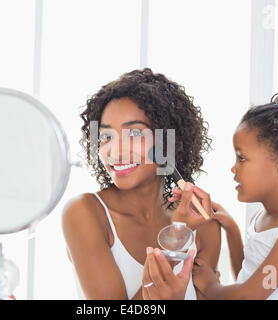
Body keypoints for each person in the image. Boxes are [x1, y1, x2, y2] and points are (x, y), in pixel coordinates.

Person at [143, 91, 278, 299]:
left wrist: (211, 286)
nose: (233, 168)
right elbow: (249, 277)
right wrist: (231, 227)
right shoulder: (260, 217)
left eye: (241, 158)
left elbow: (248, 296)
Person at [62, 68, 221, 299]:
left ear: (169, 141)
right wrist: (177, 237)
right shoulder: (85, 213)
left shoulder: (203, 225)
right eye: (106, 136)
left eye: (135, 134)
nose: (115, 152)